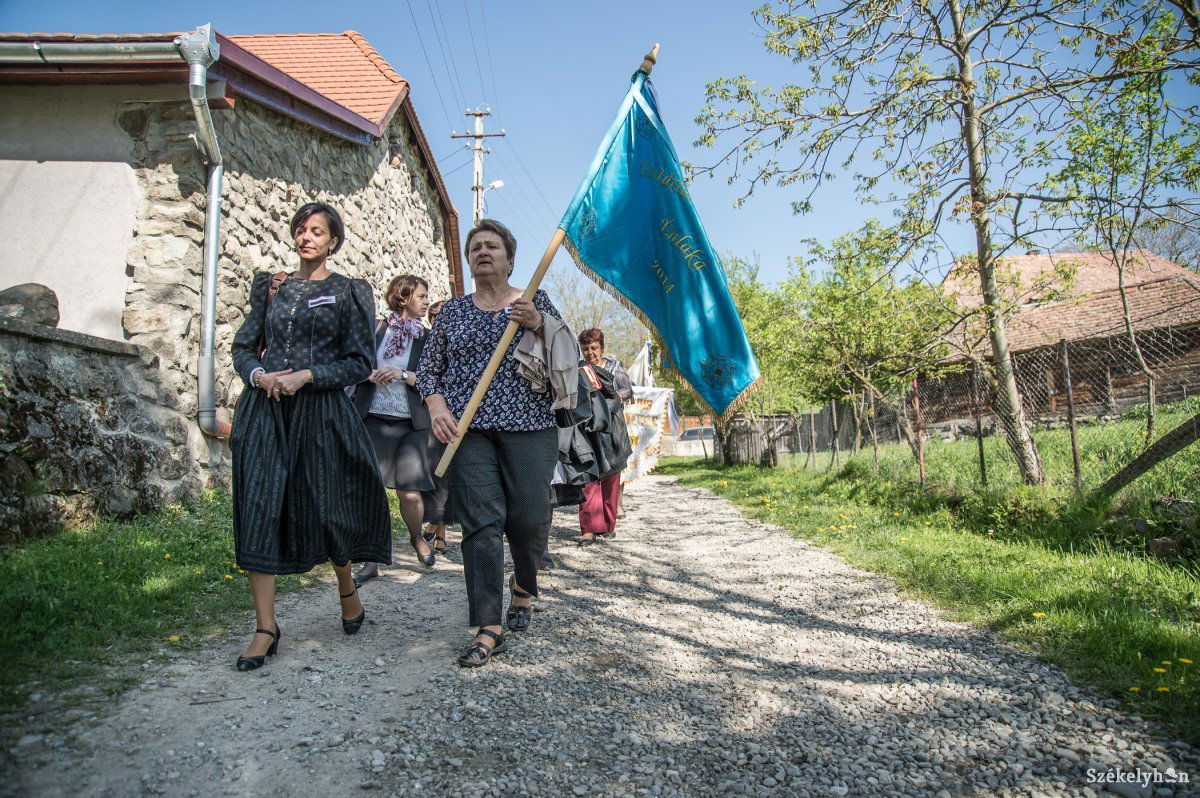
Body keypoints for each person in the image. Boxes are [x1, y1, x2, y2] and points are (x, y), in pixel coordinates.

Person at [229, 202, 390, 672]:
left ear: (333, 242)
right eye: (301, 229)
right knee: (259, 507)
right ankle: (265, 627)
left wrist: (307, 375)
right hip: (267, 411)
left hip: (321, 412)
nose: (307, 237)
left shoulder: (349, 291)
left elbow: (360, 362)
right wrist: (260, 376)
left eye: (317, 231)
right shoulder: (272, 286)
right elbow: (243, 347)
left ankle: (347, 588)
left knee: (329, 508)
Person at [417, 219, 563, 667]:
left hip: (530, 426)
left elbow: (565, 358)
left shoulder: (533, 301)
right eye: (475, 246)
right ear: (469, 260)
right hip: (469, 432)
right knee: (480, 523)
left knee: (531, 515)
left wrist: (538, 323)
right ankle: (488, 626)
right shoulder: (454, 313)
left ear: (510, 258)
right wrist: (439, 410)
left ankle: (523, 583)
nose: (482, 251)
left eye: (492, 246)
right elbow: (429, 372)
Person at [351, 275, 436, 586]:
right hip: (371, 418)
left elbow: (431, 380)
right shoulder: (375, 329)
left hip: (411, 423)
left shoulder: (428, 338)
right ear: (403, 297)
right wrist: (370, 373)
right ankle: (370, 560)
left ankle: (417, 538)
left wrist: (402, 373)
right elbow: (352, 364)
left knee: (410, 492)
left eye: (427, 296)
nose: (426, 301)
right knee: (370, 491)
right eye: (421, 296)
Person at [578, 328, 633, 539]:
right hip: (586, 428)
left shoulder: (615, 368)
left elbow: (627, 390)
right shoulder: (580, 369)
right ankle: (589, 529)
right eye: (585, 349)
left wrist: (609, 401)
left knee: (611, 477)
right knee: (588, 476)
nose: (590, 353)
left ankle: (608, 526)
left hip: (612, 427)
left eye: (594, 348)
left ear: (602, 347)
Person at [421, 299, 455, 555]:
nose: (437, 319)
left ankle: (439, 526)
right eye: (434, 316)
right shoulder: (424, 340)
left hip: (455, 416)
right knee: (434, 474)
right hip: (426, 413)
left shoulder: (456, 341)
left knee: (447, 475)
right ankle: (436, 523)